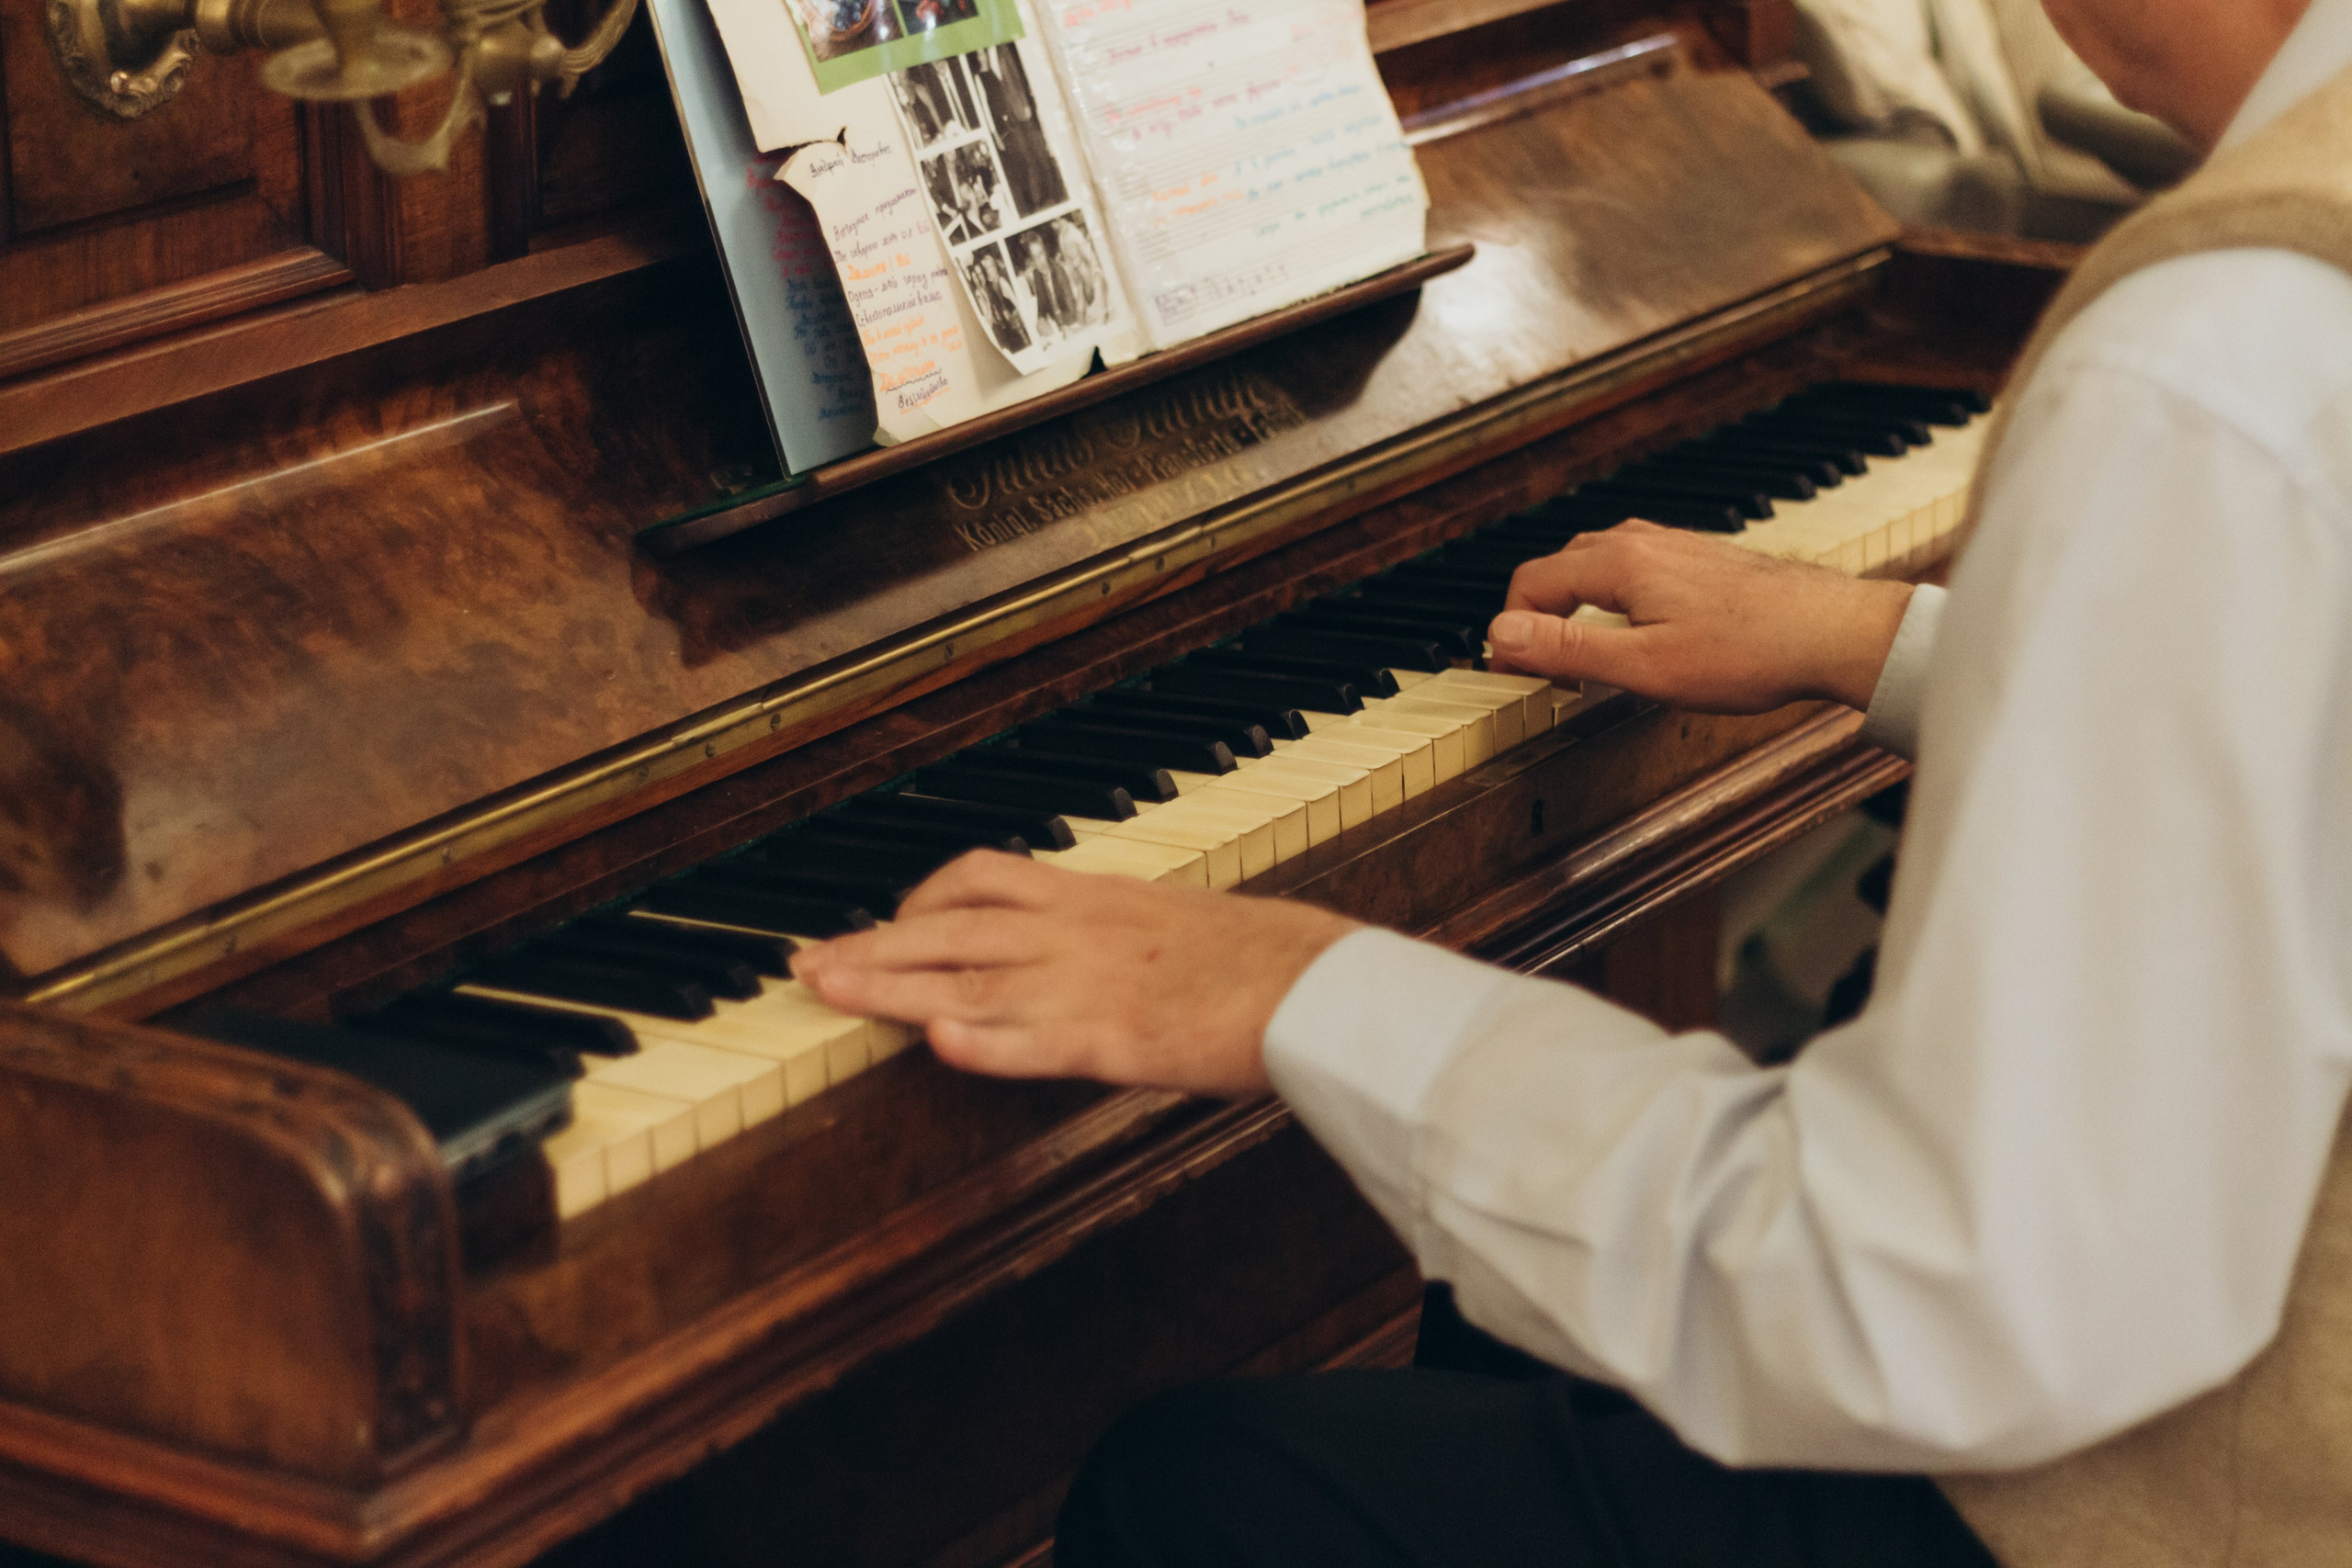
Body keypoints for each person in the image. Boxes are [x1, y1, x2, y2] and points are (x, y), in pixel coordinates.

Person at [791, 0, 2352, 1562]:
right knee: (1506, 1331)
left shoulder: (2215, 360)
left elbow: (1945, 1302)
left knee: (1201, 1491)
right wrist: (1883, 639)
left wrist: (1301, 983)